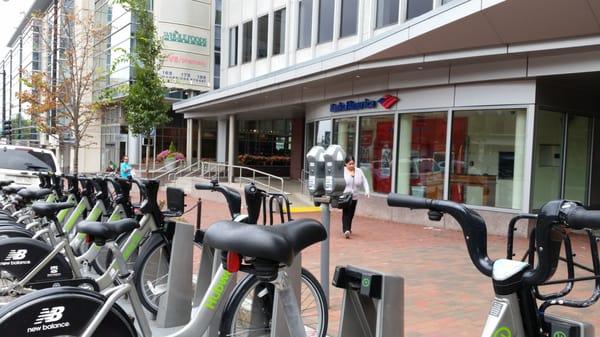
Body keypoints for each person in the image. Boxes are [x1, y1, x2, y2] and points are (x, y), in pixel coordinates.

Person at [342, 155, 370, 239]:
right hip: (345, 196)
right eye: (350, 164)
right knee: (346, 212)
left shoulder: (359, 171)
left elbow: (364, 181)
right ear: (346, 164)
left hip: (355, 196)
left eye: (353, 163)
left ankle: (348, 229)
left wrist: (367, 190)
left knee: (351, 214)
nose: (352, 166)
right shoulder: (342, 171)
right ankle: (346, 230)